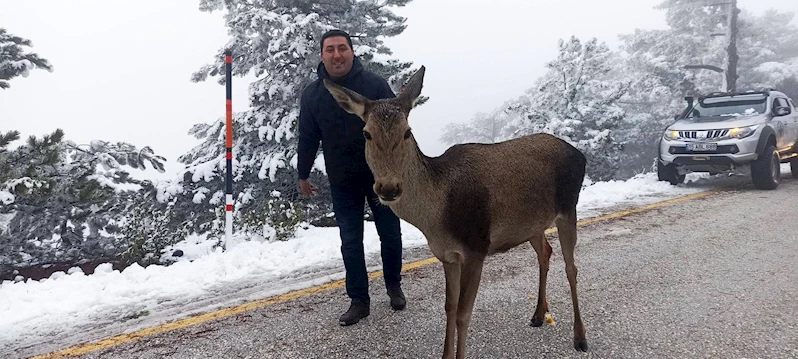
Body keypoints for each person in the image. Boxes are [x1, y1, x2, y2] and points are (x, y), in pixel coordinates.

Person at [296, 29, 406, 326]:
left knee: (391, 235)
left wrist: (401, 166)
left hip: (380, 178)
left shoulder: (374, 84)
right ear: (322, 56)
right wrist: (302, 173)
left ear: (352, 52)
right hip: (342, 180)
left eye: (342, 48)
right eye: (330, 49)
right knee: (350, 241)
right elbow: (307, 137)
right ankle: (359, 301)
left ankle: (394, 286)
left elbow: (398, 126)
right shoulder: (313, 95)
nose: (337, 54)